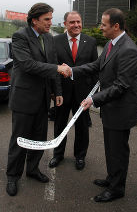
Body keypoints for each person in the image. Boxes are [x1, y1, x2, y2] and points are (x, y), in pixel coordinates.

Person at [60, 8, 137, 202]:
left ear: (116, 26)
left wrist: (94, 99)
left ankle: (116, 189)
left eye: (103, 25)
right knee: (111, 149)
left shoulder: (128, 50)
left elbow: (121, 86)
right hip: (111, 110)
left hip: (121, 112)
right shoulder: (111, 44)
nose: (100, 28)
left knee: (118, 152)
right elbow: (96, 66)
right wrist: (72, 71)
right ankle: (112, 179)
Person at [6, 2, 65, 196]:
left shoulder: (49, 38)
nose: (50, 23)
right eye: (47, 19)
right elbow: (27, 65)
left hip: (42, 99)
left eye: (50, 18)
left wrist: (58, 92)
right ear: (35, 20)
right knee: (20, 139)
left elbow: (52, 64)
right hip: (24, 98)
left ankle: (32, 170)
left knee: (39, 138)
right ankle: (13, 176)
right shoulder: (20, 36)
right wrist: (57, 69)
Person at [49, 11, 98, 170]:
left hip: (83, 94)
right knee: (60, 124)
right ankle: (58, 154)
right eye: (72, 22)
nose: (76, 25)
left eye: (78, 21)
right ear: (65, 24)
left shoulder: (90, 42)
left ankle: (80, 156)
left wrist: (93, 95)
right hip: (62, 94)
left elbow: (94, 70)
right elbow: (53, 69)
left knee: (82, 127)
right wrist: (56, 92)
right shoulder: (55, 41)